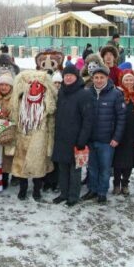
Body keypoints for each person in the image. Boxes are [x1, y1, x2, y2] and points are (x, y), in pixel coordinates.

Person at [51, 63, 93, 206]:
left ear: (76, 77)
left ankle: (73, 197)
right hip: (61, 137)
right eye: (66, 76)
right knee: (62, 168)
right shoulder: (62, 91)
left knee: (74, 170)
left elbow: (88, 119)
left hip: (76, 139)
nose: (68, 78)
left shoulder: (84, 93)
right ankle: (63, 193)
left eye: (71, 75)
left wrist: (82, 140)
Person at [10, 70, 56, 200]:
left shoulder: (46, 100)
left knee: (38, 165)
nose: (34, 88)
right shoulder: (20, 100)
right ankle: (23, 189)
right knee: (21, 164)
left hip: (39, 136)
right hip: (23, 134)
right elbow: (14, 115)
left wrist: (49, 142)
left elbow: (51, 120)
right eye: (31, 84)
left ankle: (37, 190)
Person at [84, 62, 125, 204]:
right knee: (92, 168)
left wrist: (116, 138)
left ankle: (102, 192)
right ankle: (92, 189)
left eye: (102, 77)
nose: (99, 80)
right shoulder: (87, 93)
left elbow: (121, 118)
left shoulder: (115, 94)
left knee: (105, 169)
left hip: (107, 140)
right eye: (96, 77)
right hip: (91, 139)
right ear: (92, 79)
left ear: (107, 78)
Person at [112, 70, 134, 196]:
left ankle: (125, 183)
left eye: (131, 79)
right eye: (126, 79)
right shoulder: (117, 93)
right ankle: (116, 183)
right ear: (122, 81)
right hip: (120, 132)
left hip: (133, 133)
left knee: (129, 161)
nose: (129, 82)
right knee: (118, 161)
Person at [0, 73, 15, 185]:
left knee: (8, 156)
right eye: (1, 84)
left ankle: (7, 177)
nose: (3, 87)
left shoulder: (13, 99)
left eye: (6, 85)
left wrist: (5, 118)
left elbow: (15, 116)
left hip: (9, 131)